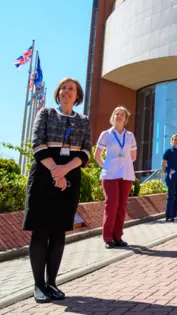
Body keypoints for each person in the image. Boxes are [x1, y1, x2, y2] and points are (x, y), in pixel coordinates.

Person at [24, 78, 92, 303]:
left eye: (71, 89)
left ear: (77, 95)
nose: (66, 91)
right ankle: (39, 285)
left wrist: (65, 170)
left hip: (70, 177)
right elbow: (37, 143)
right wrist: (56, 170)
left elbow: (85, 151)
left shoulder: (84, 120)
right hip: (44, 175)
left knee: (59, 232)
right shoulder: (45, 113)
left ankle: (52, 283)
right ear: (58, 93)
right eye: (63, 88)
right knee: (41, 231)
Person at [94, 106, 137, 249]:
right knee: (111, 204)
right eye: (116, 114)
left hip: (126, 175)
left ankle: (118, 236)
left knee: (122, 206)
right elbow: (97, 155)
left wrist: (124, 162)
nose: (119, 116)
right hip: (110, 175)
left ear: (125, 119)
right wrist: (105, 167)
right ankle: (108, 237)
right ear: (113, 117)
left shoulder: (130, 136)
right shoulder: (106, 134)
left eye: (122, 115)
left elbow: (133, 156)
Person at [162, 134, 177, 222]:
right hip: (170, 177)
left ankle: (174, 215)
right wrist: (167, 172)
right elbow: (163, 164)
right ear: (172, 141)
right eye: (174, 139)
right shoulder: (168, 151)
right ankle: (169, 216)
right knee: (171, 196)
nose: (176, 141)